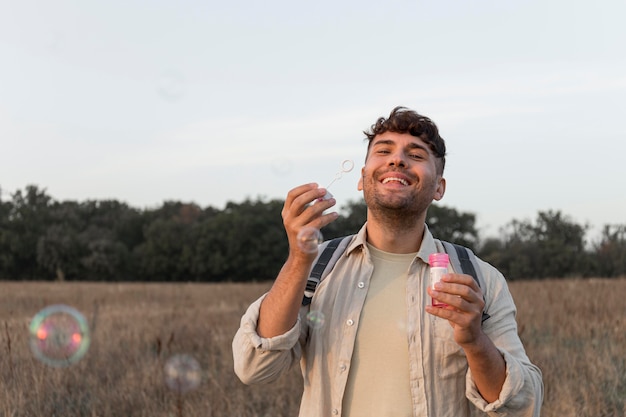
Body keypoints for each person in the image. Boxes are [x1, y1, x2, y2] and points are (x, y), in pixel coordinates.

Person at [232, 106, 543, 416]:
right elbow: (255, 368)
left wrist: (475, 341)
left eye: (417, 155)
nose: (398, 159)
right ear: (362, 177)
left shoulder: (479, 279)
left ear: (439, 187)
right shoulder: (316, 268)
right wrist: (299, 258)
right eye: (383, 151)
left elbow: (524, 405)